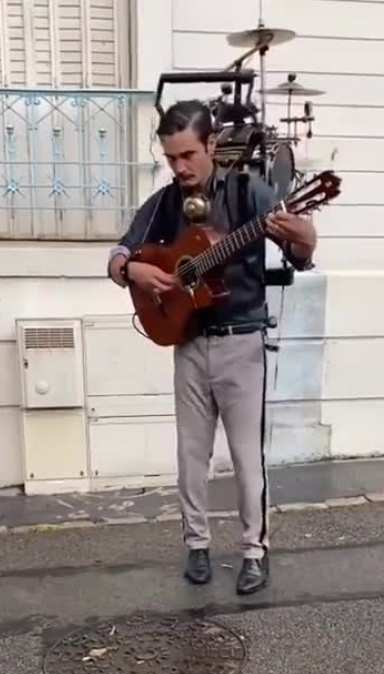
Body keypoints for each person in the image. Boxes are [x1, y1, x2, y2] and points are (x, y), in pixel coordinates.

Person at [108, 100, 316, 595]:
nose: (179, 167)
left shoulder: (249, 193)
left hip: (241, 342)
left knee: (247, 457)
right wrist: (132, 269)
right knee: (191, 455)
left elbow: (299, 252)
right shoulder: (162, 203)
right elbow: (119, 253)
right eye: (170, 157)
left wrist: (304, 238)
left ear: (212, 146)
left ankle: (253, 552)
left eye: (187, 155)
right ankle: (196, 546)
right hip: (187, 342)